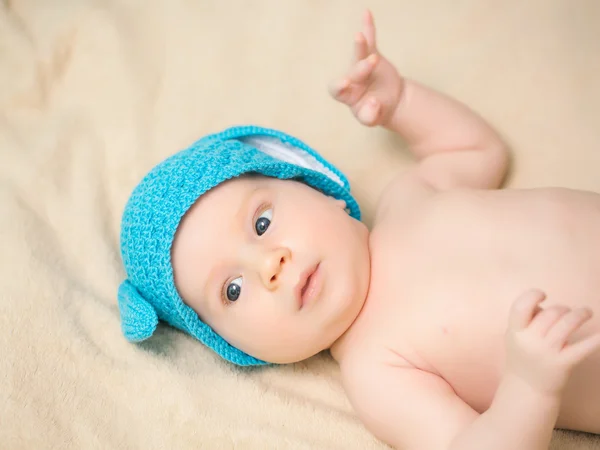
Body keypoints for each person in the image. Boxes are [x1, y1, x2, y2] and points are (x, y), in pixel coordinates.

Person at [117, 9, 600, 450]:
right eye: (233, 290)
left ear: (320, 189)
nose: (270, 265)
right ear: (239, 350)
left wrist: (403, 102)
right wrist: (530, 386)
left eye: (262, 222)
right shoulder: (376, 370)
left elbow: (476, 152)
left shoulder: (407, 197)